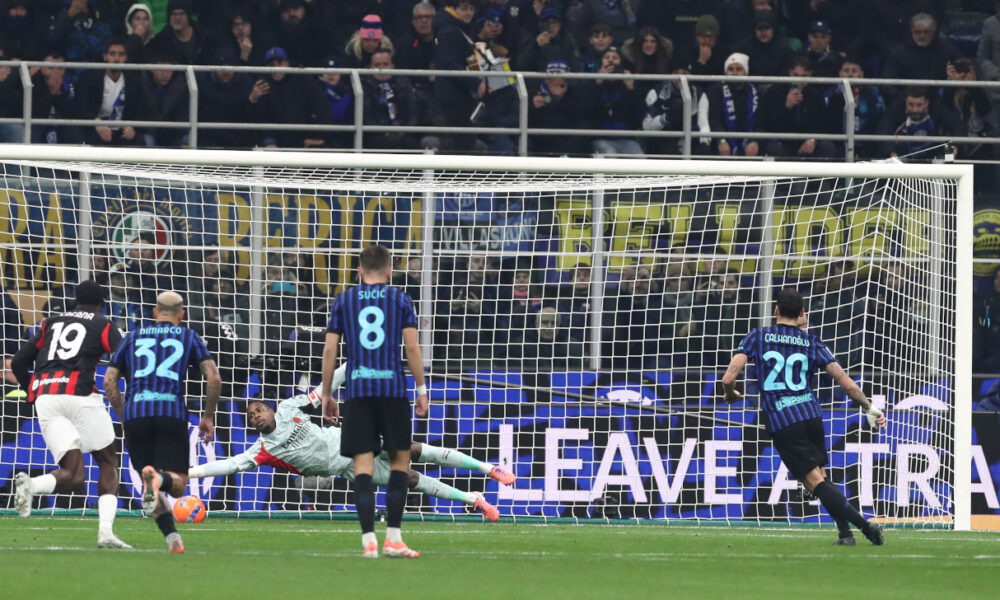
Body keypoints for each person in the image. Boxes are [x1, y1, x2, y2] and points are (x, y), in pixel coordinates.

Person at [188, 381, 513, 522]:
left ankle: (488, 469)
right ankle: (475, 500)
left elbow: (323, 390)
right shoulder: (262, 450)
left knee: (412, 450)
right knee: (410, 479)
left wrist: (349, 362)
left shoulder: (290, 407)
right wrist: (189, 473)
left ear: (271, 409)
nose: (256, 415)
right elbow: (230, 465)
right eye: (251, 415)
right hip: (348, 468)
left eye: (259, 409)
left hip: (355, 436)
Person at [720, 287, 887, 546]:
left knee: (813, 482)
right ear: (801, 313)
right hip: (811, 414)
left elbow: (728, 377)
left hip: (784, 419)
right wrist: (868, 407)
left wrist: (730, 394)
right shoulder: (812, 341)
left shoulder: (758, 337)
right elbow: (847, 384)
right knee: (820, 475)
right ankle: (845, 534)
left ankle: (865, 525)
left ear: (775, 310)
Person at [320, 244, 429, 558]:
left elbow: (330, 350)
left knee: (363, 467)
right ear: (390, 271)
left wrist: (327, 393)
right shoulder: (400, 299)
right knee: (399, 463)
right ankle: (393, 538)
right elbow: (412, 349)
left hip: (357, 392)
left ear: (359, 271)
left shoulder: (344, 300)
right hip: (393, 391)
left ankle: (368, 538)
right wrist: (421, 390)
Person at [9, 280, 130, 549]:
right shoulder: (103, 323)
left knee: (74, 476)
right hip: (80, 394)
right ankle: (105, 533)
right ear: (102, 302)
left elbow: (17, 362)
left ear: (75, 300)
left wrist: (32, 391)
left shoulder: (49, 323)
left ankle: (32, 485)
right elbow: (124, 359)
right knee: (108, 463)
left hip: (46, 399)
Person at [103, 291, 221, 554]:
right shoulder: (189, 336)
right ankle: (158, 481)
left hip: (136, 415)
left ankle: (172, 539)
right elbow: (214, 378)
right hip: (171, 413)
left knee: (151, 481)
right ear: (182, 314)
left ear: (154, 313)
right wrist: (208, 416)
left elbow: (109, 380)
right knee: (177, 484)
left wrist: (124, 416)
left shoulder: (132, 337)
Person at [761, 54, 836, 159]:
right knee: (773, 148)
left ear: (810, 74)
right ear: (790, 72)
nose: (799, 80)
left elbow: (823, 125)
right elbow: (768, 125)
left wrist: (813, 140)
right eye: (796, 75)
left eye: (804, 76)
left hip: (807, 143)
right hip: (782, 142)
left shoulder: (816, 94)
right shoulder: (775, 91)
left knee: (827, 147)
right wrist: (786, 106)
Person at [78, 38, 145, 146]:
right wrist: (96, 122)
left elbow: (141, 110)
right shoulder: (90, 78)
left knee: (140, 141)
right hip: (97, 131)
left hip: (123, 132)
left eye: (121, 54)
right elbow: (81, 107)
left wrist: (133, 126)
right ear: (105, 56)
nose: (117, 59)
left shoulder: (134, 80)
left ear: (126, 58)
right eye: (112, 54)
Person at [701, 52, 760, 156]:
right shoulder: (716, 90)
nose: (734, 73)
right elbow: (714, 119)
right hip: (723, 140)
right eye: (731, 69)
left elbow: (761, 121)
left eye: (739, 69)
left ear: (746, 72)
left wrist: (754, 140)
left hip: (749, 140)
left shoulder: (755, 92)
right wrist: (722, 140)